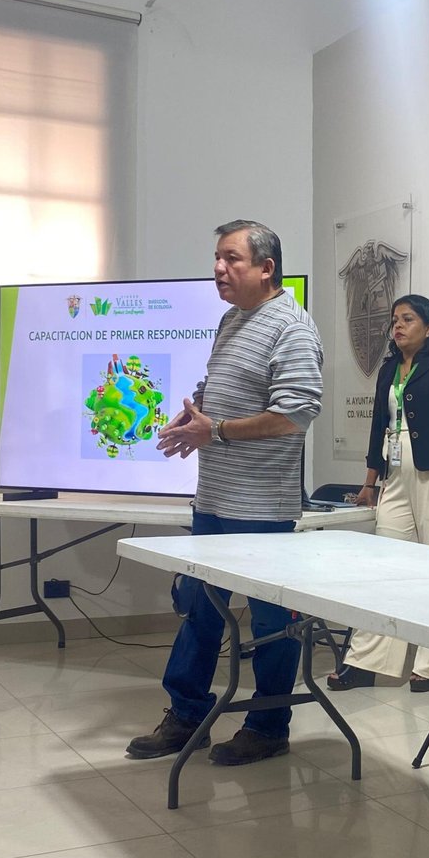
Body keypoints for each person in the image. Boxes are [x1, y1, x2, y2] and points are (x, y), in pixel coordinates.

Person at [125, 220, 323, 766]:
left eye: (232, 258)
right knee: (199, 610)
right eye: (217, 257)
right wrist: (196, 414)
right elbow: (222, 390)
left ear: (267, 267)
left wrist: (213, 431)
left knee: (271, 623)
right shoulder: (232, 319)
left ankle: (268, 726)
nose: (219, 268)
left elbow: (295, 413)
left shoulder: (292, 327)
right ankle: (187, 716)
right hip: (213, 498)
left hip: (261, 508)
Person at [325, 294, 429, 694]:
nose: (397, 326)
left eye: (408, 319)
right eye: (395, 320)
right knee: (384, 568)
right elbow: (377, 426)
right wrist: (369, 482)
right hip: (395, 472)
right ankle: (368, 661)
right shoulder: (389, 369)